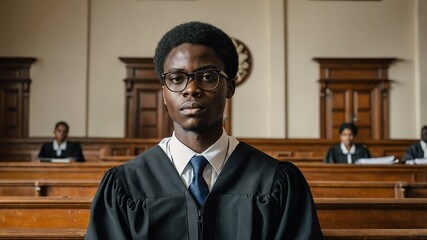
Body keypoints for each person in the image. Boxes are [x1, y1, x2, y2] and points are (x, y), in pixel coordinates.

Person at [85, 21, 322, 240]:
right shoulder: (126, 184)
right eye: (177, 79)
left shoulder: (275, 181)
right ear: (163, 94)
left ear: (230, 87)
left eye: (207, 76)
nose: (191, 89)